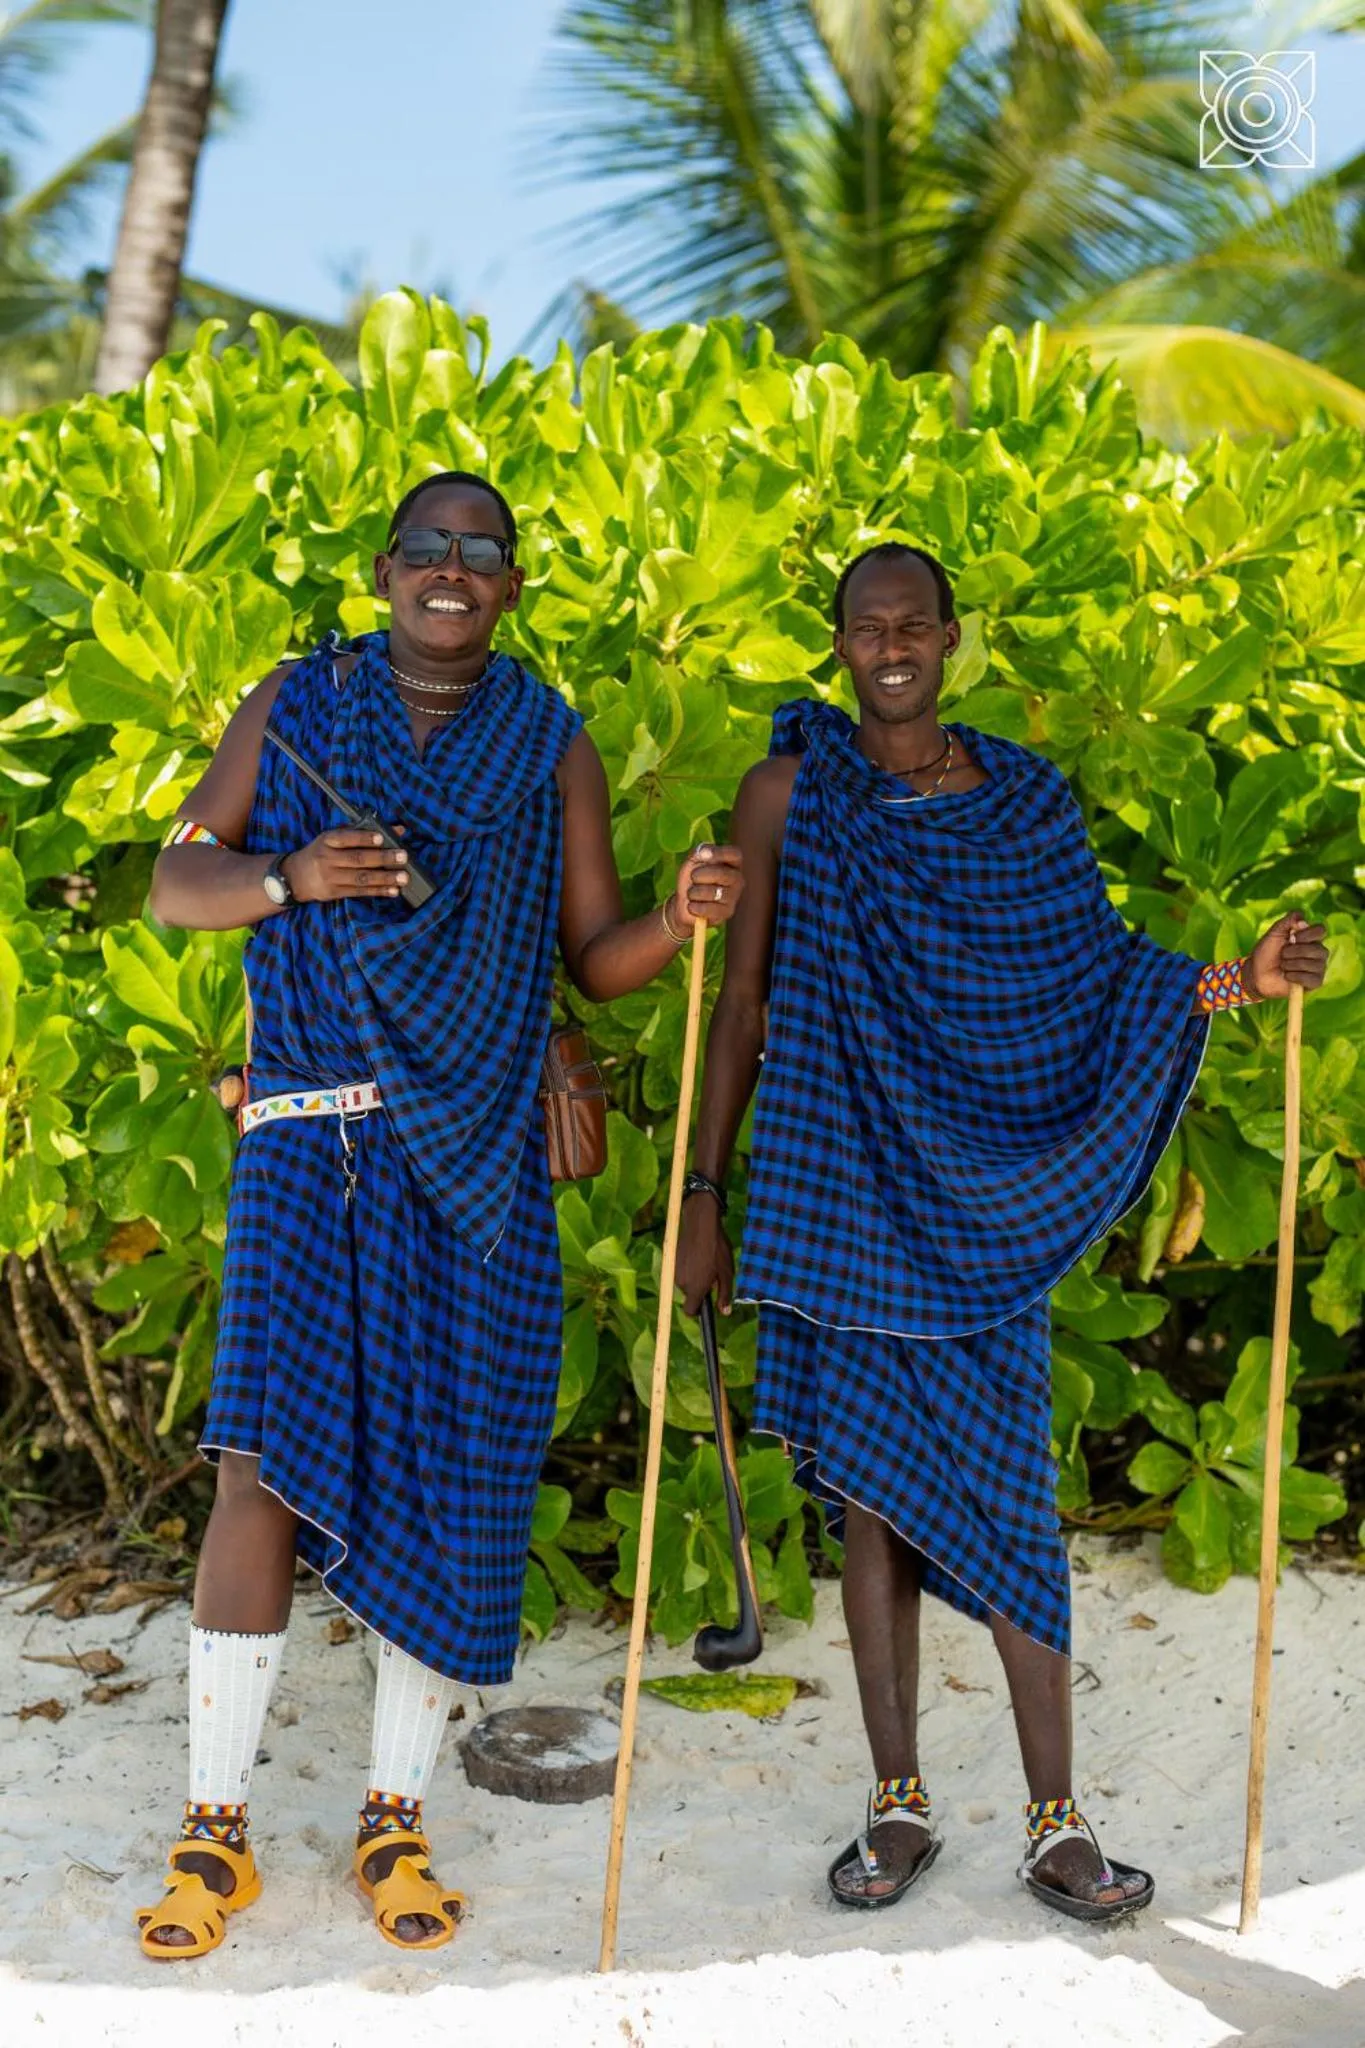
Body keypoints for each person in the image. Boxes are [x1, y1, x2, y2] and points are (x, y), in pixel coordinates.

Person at [137, 470, 743, 1959]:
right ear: (387, 566)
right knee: (260, 1475)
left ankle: (392, 1820)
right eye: (427, 548)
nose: (452, 570)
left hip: (473, 1163)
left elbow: (593, 954)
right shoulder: (296, 702)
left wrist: (684, 918)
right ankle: (214, 1837)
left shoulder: (551, 744)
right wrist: (283, 875)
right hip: (307, 1142)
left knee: (457, 1479)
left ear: (514, 585)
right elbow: (173, 882)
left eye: (483, 552)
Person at [677, 540, 1327, 1922]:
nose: (893, 644)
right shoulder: (786, 794)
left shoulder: (1024, 800)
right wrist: (701, 1194)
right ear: (839, 646)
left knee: (1014, 1503)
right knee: (868, 1500)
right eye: (868, 626)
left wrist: (1243, 981)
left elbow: (1091, 979)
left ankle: (1056, 1821)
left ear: (953, 637)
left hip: (982, 1203)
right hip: (845, 1184)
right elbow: (740, 1010)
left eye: (915, 623)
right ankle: (898, 1803)